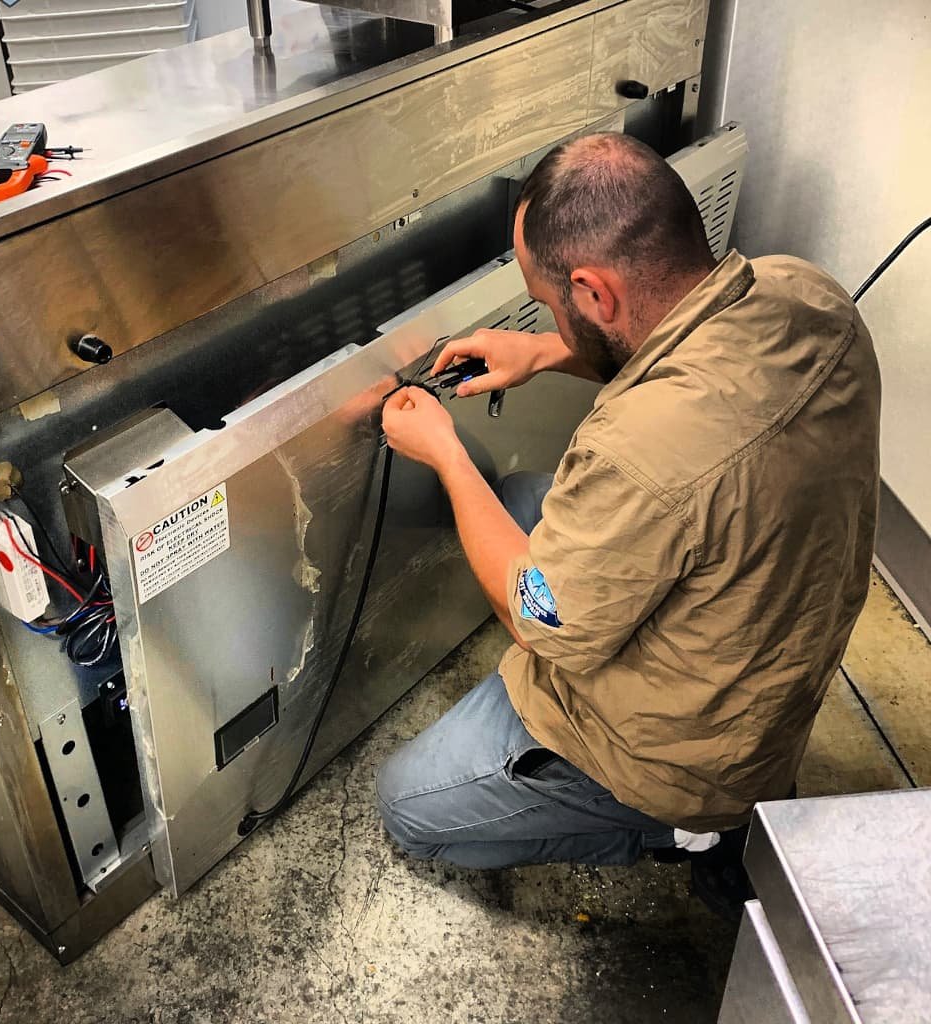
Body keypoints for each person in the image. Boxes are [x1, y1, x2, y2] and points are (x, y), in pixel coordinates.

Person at [375, 132, 881, 918]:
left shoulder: (639, 453)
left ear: (595, 292)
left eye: (550, 302)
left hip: (691, 758)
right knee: (520, 502)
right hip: (766, 632)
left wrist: (443, 453)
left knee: (409, 806)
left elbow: (539, 614)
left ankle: (691, 832)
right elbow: (679, 351)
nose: (550, 315)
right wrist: (543, 349)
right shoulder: (805, 294)